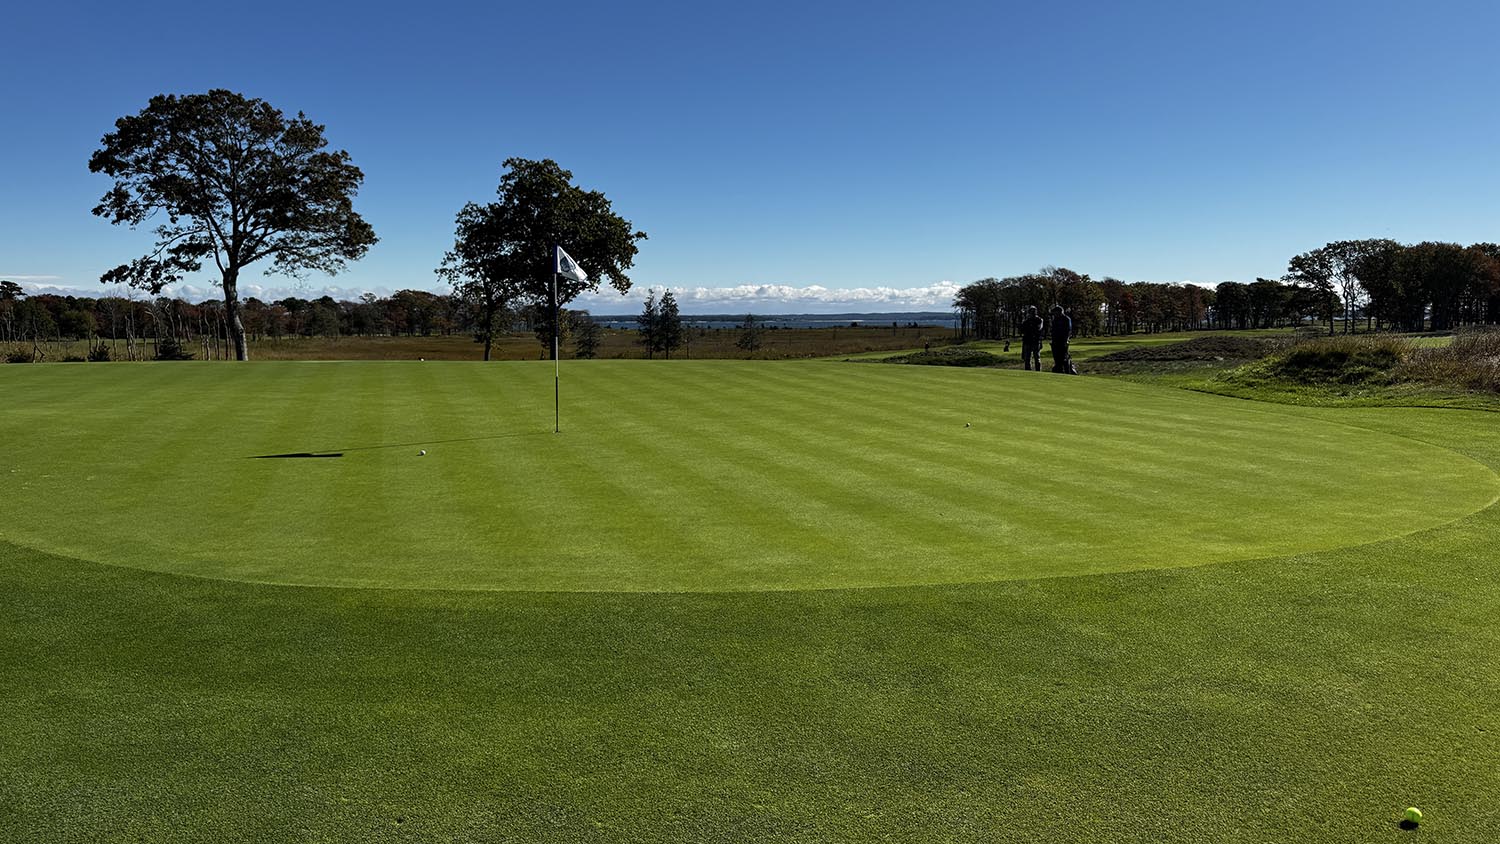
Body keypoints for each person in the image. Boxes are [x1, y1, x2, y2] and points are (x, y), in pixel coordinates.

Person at [1049, 305, 1074, 374]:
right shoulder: (1055, 320)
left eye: (1055, 312)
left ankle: (1067, 371)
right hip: (1055, 341)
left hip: (1063, 341)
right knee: (1057, 358)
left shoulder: (1066, 319)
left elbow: (1068, 331)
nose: (1054, 314)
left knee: (1064, 358)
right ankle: (1059, 371)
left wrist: (1066, 340)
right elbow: (1053, 331)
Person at [1019, 306, 1044, 371]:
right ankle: (1028, 371)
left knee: (1037, 358)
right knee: (1027, 358)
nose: (1032, 313)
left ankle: (1038, 371)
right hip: (1027, 341)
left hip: (1035, 340)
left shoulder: (1039, 320)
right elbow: (1022, 330)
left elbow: (1038, 329)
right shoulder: (1026, 321)